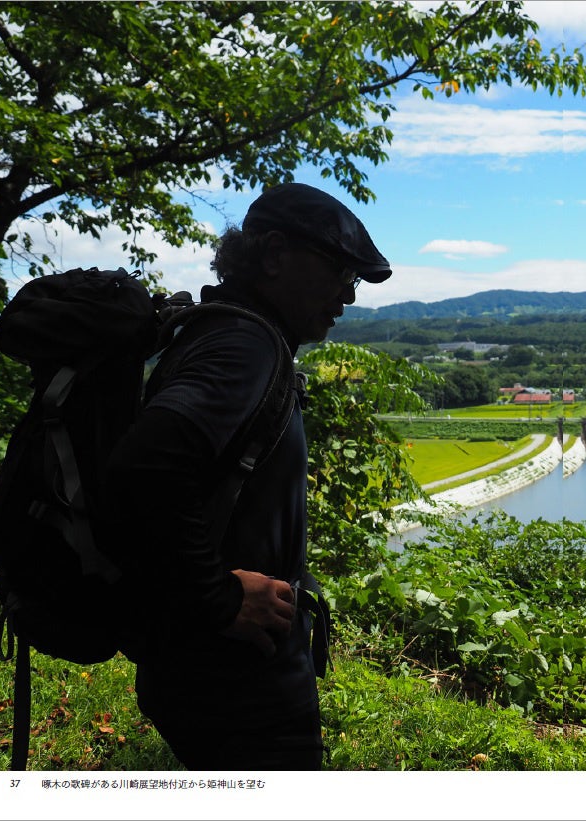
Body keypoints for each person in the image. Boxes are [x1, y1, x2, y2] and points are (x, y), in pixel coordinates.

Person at [103, 182, 391, 770]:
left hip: (214, 663)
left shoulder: (232, 334)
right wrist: (217, 597)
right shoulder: (244, 346)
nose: (348, 295)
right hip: (235, 676)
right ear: (275, 254)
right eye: (338, 270)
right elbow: (145, 467)